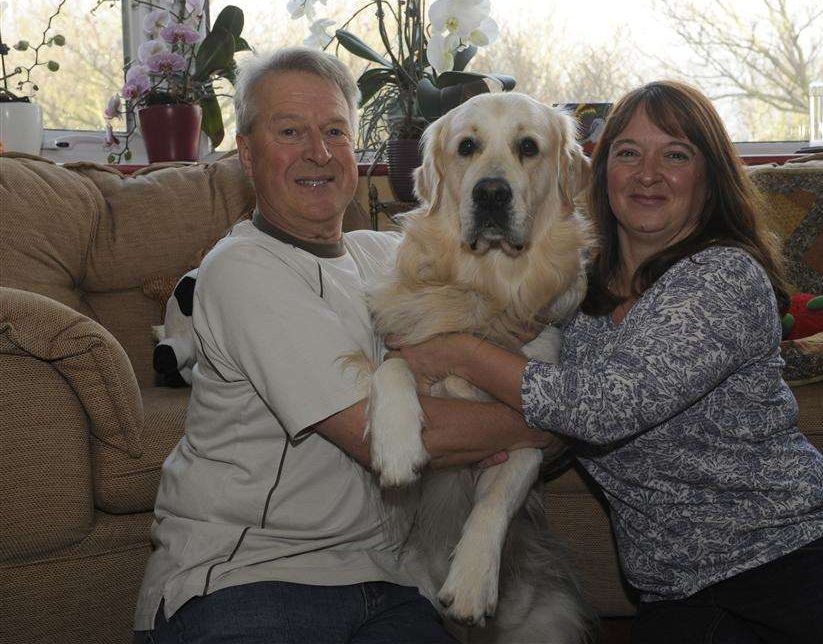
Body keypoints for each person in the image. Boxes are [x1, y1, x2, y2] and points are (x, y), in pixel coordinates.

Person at [389, 81, 823, 643]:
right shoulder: (570, 298)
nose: (648, 173)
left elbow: (600, 410)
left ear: (708, 177)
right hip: (675, 593)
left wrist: (457, 350)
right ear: (597, 174)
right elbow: (540, 420)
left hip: (797, 563)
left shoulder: (725, 277)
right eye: (628, 154)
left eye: (675, 154)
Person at [132, 47, 554, 644]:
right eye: (290, 131)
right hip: (248, 577)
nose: (319, 152)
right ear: (247, 155)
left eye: (335, 131)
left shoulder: (381, 257)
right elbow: (397, 438)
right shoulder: (243, 268)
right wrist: (548, 421)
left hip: (385, 581)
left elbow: (528, 313)